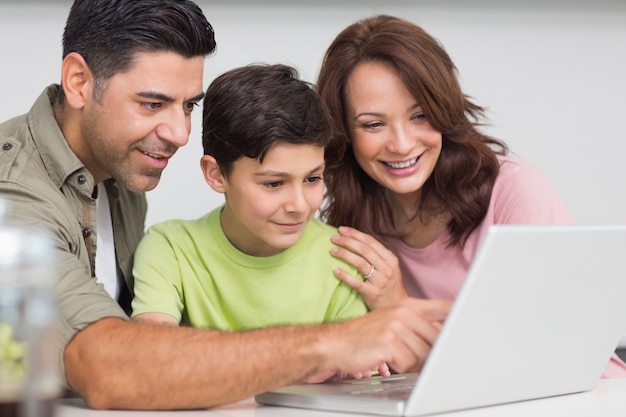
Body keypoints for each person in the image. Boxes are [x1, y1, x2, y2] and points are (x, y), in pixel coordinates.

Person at [0, 2, 450, 410]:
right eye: (152, 103)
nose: (178, 132)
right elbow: (103, 368)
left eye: (188, 106)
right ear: (79, 82)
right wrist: (327, 345)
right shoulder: (12, 194)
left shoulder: (120, 166)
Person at [316, 14, 626, 378]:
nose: (401, 144)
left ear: (445, 110)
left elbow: (555, 346)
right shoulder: (354, 224)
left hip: (582, 395)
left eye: (420, 116)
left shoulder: (513, 190)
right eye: (373, 124)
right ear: (344, 133)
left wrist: (398, 308)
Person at [131, 63, 369, 343]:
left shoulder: (344, 260)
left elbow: (359, 371)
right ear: (216, 174)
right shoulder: (171, 249)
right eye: (274, 183)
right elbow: (153, 352)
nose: (299, 205)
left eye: (312, 178)